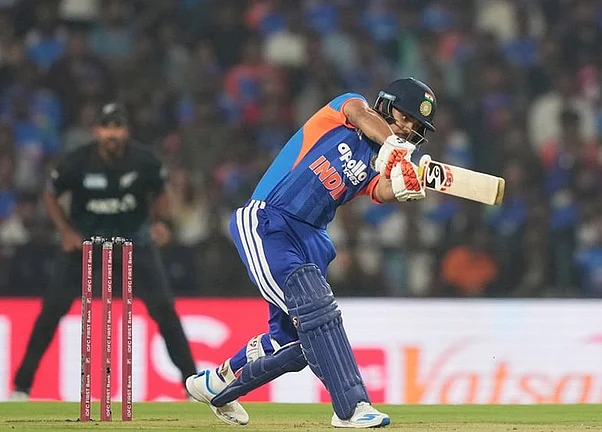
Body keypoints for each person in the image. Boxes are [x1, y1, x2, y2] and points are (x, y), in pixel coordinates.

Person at [185, 77, 437, 428]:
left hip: (310, 240)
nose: (408, 126)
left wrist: (408, 183)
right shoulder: (350, 109)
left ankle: (218, 385)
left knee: (293, 345)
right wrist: (394, 146)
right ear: (385, 103)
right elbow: (361, 115)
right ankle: (351, 408)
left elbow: (379, 189)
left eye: (415, 126)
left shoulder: (378, 160)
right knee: (317, 311)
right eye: (404, 115)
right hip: (269, 222)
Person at [10, 103, 197, 400]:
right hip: (86, 245)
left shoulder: (144, 160)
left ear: (126, 131)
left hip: (134, 243)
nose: (112, 134)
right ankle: (21, 387)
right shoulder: (77, 161)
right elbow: (50, 193)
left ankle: (191, 385)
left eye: (118, 127)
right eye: (107, 127)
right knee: (51, 312)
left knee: (164, 312)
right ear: (96, 131)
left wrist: (160, 222)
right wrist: (66, 231)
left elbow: (161, 191)